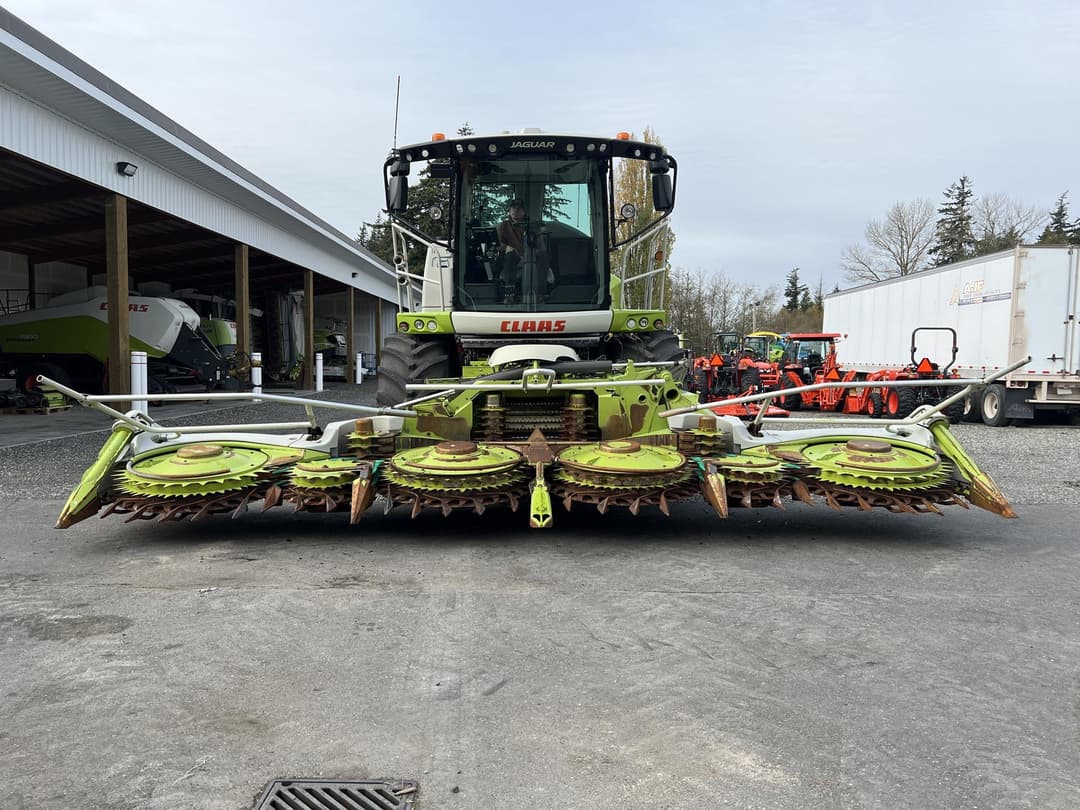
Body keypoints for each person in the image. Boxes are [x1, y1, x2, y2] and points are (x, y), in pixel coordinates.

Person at [496, 198, 551, 296]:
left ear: (524, 212)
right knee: (510, 255)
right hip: (513, 258)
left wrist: (527, 257)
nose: (515, 211)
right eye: (513, 208)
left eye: (518, 209)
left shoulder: (532, 227)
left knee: (544, 256)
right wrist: (509, 248)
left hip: (531, 257)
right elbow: (499, 245)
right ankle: (509, 293)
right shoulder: (504, 226)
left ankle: (540, 294)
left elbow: (541, 249)